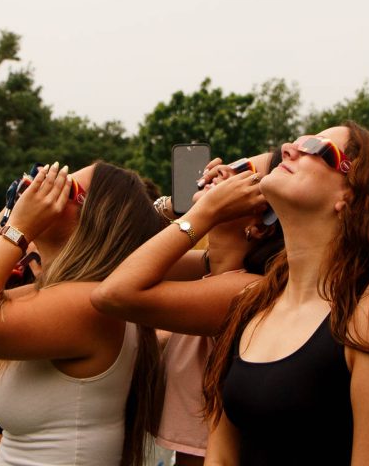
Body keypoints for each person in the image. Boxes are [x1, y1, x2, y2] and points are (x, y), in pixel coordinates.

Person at [201, 123, 369, 466]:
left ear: (353, 196)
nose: (288, 149)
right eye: (295, 141)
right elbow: (220, 457)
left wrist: (198, 218)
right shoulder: (253, 304)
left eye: (315, 147)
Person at [0, 161, 165, 466]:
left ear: (94, 219)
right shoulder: (56, 296)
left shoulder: (89, 306)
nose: (42, 184)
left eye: (63, 186)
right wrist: (10, 210)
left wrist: (19, 229)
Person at [92, 150, 277, 465]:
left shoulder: (245, 290)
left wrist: (205, 211)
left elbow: (113, 293)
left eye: (242, 170)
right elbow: (111, 265)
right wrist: (175, 206)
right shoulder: (212, 269)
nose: (219, 169)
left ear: (261, 224)